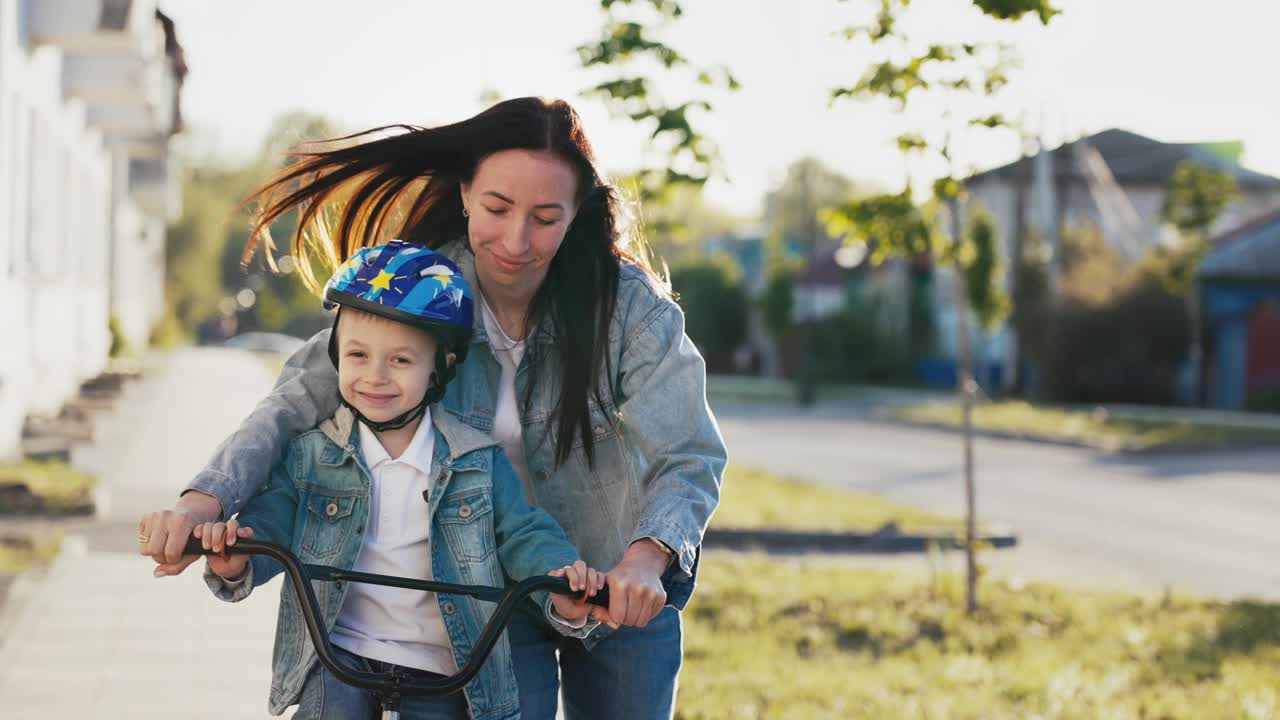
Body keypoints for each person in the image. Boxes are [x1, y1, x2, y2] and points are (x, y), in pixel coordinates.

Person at [138, 96, 727, 719]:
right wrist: (204, 501)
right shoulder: (421, 286)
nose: (517, 241)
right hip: (496, 594)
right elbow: (294, 400)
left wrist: (645, 560)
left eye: (546, 217)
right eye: (497, 208)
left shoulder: (628, 310)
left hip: (618, 591)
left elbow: (687, 452)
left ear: (576, 214)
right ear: (466, 192)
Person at [192, 241, 608, 719]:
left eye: (401, 361)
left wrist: (559, 577)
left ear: (442, 366)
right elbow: (272, 520)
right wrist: (235, 556)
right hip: (340, 655)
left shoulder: (478, 461)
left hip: (447, 667)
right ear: (335, 356)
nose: (375, 376)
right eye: (358, 355)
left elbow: (524, 533)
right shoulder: (312, 456)